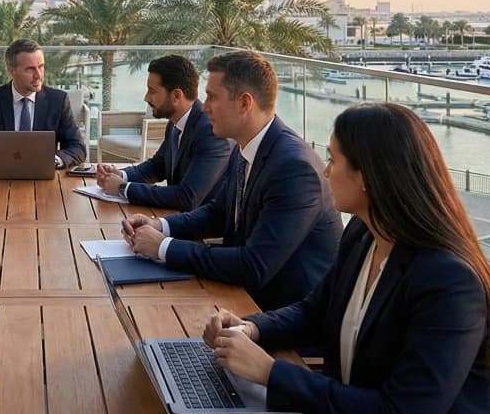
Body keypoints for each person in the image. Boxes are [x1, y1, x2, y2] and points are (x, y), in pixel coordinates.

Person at [203, 103, 490, 414]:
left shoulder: (448, 281)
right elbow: (315, 311)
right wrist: (251, 328)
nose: (325, 171)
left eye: (333, 160)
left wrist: (270, 372)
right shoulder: (363, 233)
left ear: (367, 176)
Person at [121, 51, 340, 311]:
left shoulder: (294, 169)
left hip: (278, 314)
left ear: (244, 103)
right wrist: (160, 225)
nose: (204, 107)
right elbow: (218, 213)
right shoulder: (245, 147)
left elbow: (254, 265)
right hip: (239, 297)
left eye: (212, 97)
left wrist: (163, 247)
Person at [93, 54, 231, 210]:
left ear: (176, 95)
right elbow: (158, 166)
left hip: (199, 223)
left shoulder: (210, 132)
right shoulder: (175, 123)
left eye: (152, 91)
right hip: (175, 216)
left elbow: (187, 197)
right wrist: (120, 175)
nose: (146, 98)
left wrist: (123, 188)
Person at [0, 39, 88, 168]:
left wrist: (53, 161)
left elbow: (77, 147)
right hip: (0, 175)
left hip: (44, 175)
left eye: (41, 66)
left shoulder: (58, 101)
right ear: (11, 71)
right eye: (30, 69)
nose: (38, 75)